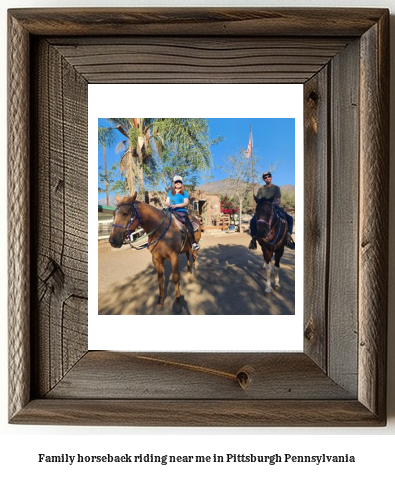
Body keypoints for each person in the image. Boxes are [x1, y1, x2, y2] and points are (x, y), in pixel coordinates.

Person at [249, 171, 295, 250]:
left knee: (290, 218)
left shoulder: (276, 188)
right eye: (265, 177)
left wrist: (272, 203)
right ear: (264, 179)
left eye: (268, 176)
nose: (267, 178)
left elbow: (279, 201)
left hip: (275, 206)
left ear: (271, 177)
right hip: (264, 209)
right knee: (253, 221)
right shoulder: (261, 189)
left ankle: (288, 236)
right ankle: (253, 239)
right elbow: (259, 201)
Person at [165, 175, 200, 251]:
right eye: (176, 182)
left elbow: (186, 203)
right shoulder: (170, 192)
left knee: (188, 223)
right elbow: (167, 201)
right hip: (170, 210)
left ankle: (193, 243)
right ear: (174, 184)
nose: (178, 183)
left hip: (181, 211)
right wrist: (168, 204)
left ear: (181, 183)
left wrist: (176, 205)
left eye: (179, 182)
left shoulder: (184, 193)